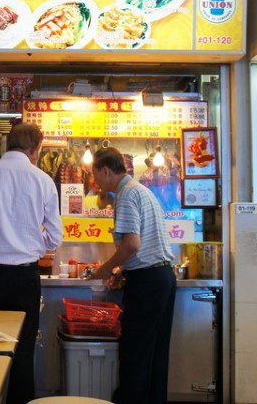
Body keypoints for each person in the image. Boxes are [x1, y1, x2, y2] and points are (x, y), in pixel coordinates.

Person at [0, 122, 63, 404]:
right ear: (35, 149)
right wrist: (30, 245)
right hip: (24, 280)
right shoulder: (43, 180)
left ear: (8, 144)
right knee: (23, 351)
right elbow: (55, 236)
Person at [88, 147, 176, 404]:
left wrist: (104, 269)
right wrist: (123, 270)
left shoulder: (126, 194)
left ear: (106, 171)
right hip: (163, 278)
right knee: (155, 353)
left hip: (148, 282)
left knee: (135, 353)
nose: (95, 183)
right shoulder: (143, 192)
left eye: (95, 176)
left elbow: (132, 244)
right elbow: (142, 246)